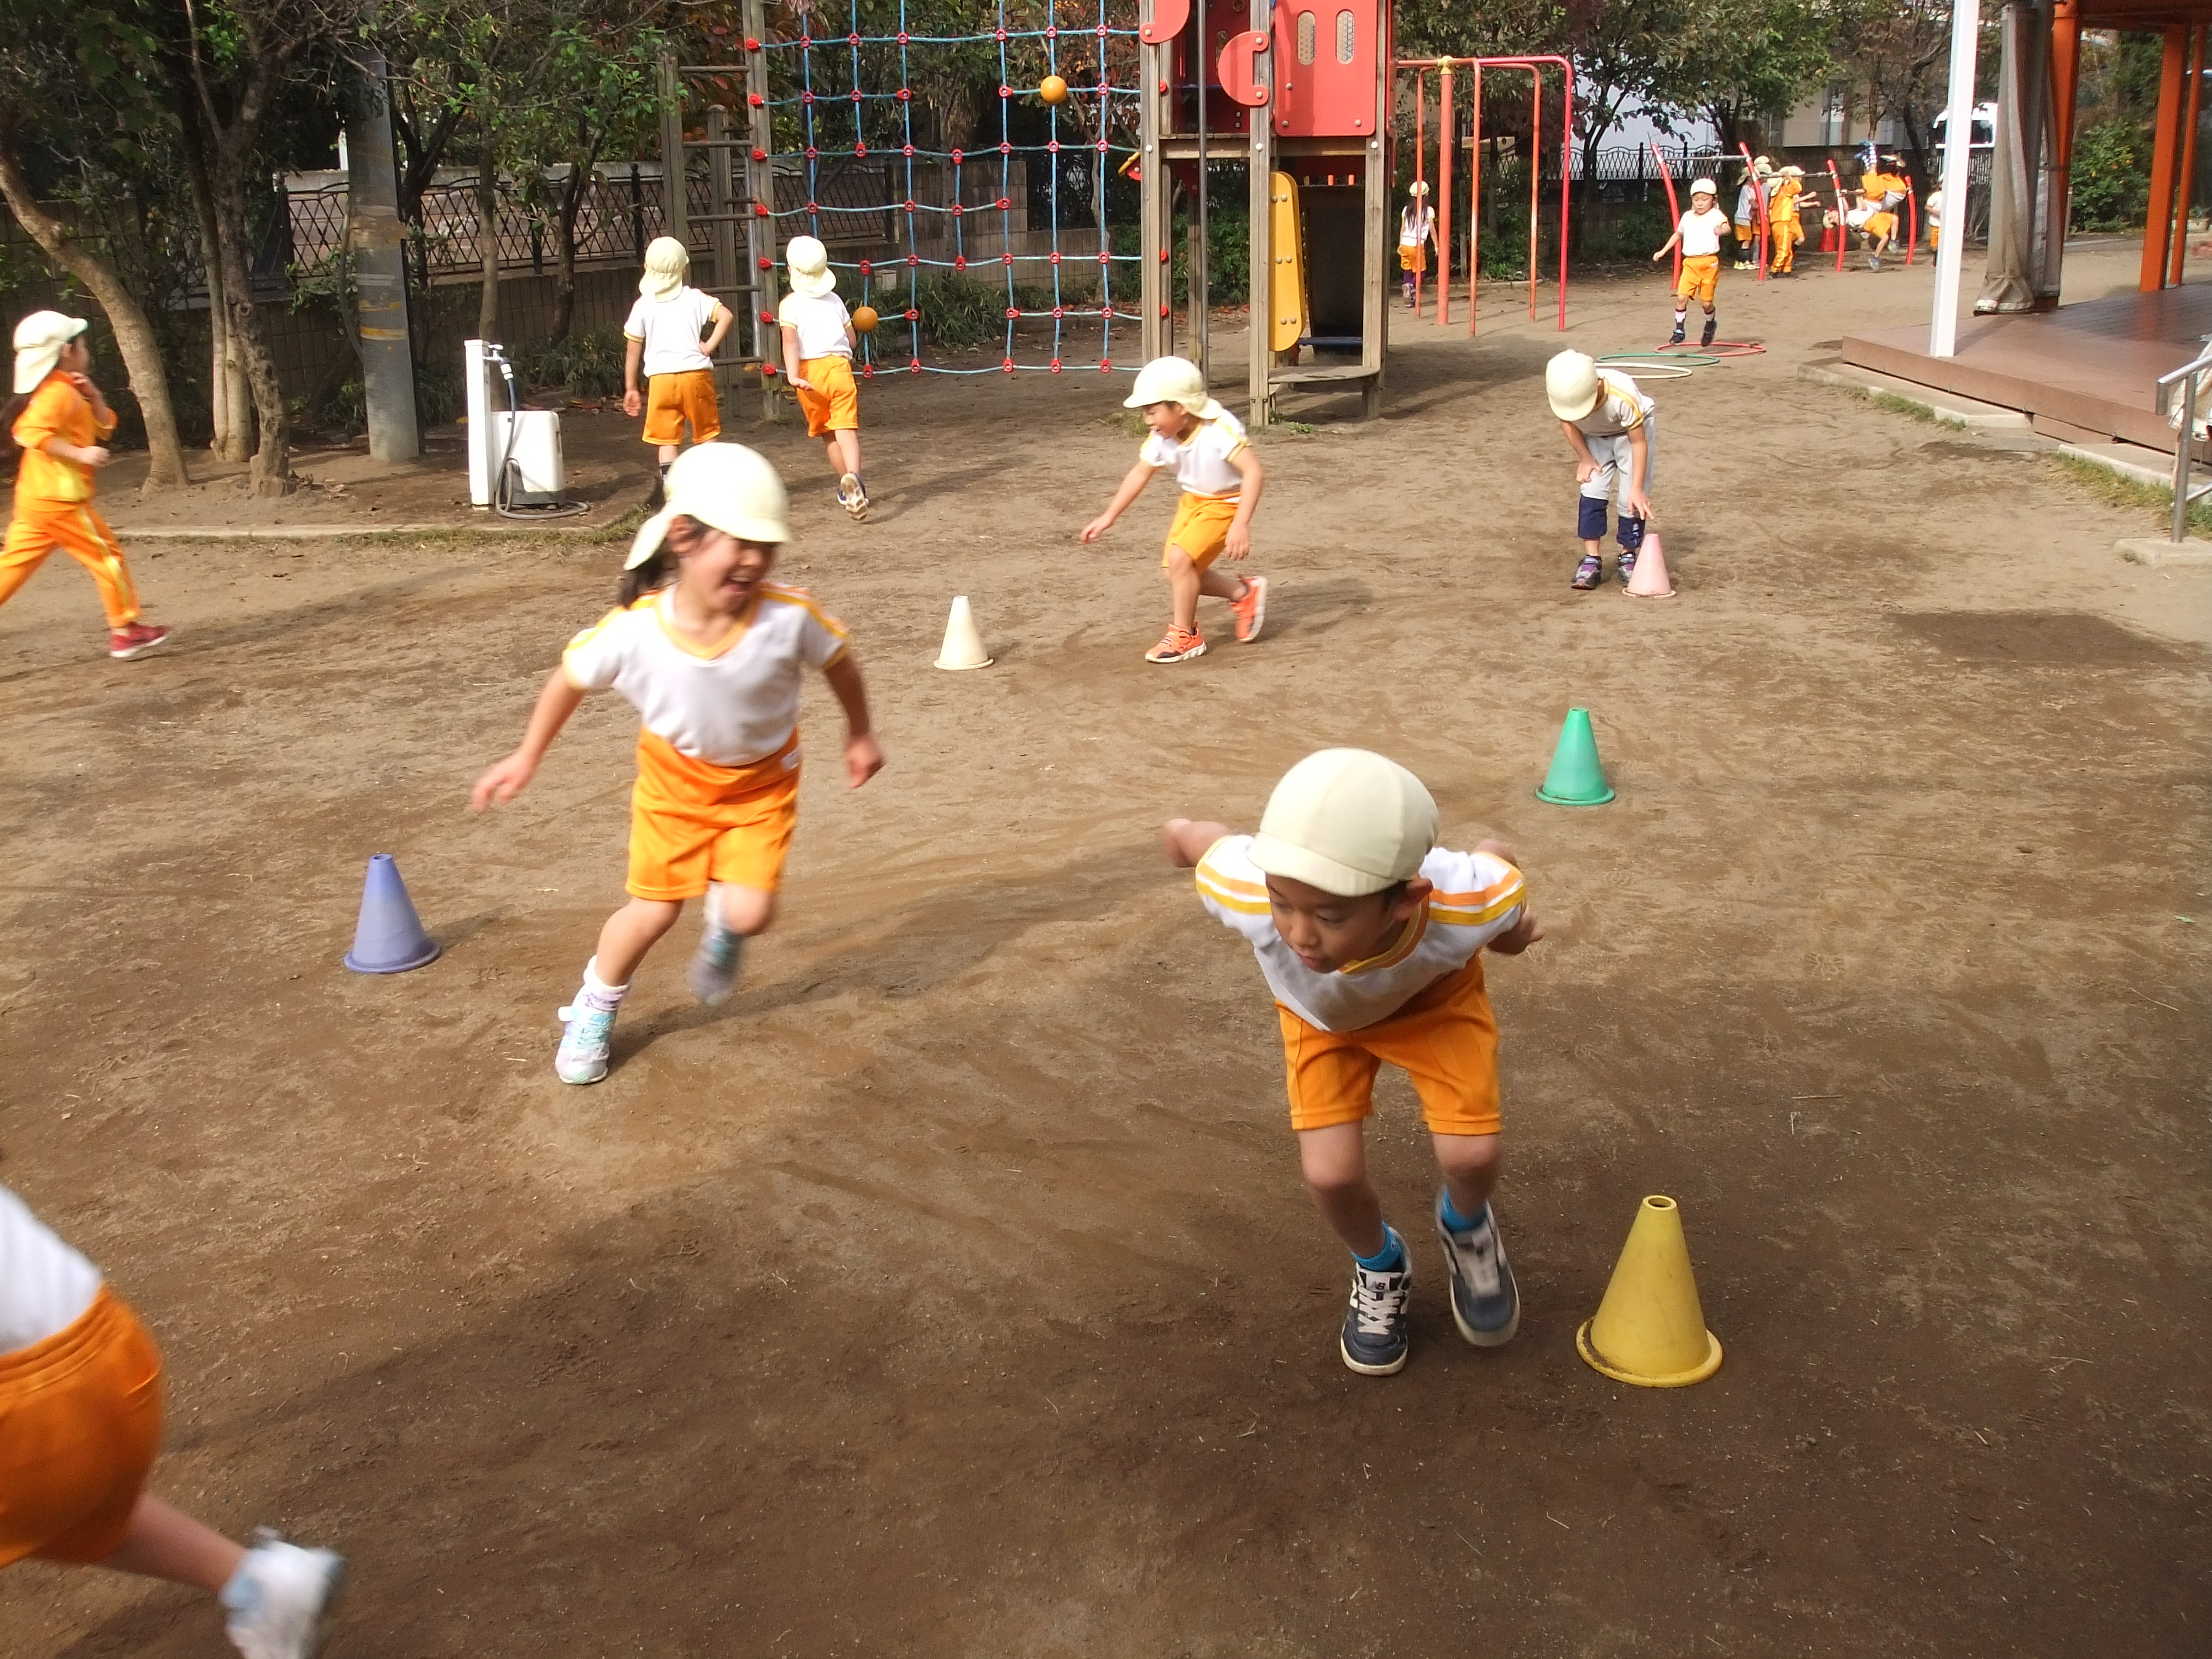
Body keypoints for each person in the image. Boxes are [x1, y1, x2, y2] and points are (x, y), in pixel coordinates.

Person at [471, 442, 883, 1084]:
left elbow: (840, 664)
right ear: (684, 538)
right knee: (654, 912)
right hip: (674, 789)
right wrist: (527, 756)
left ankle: (724, 924)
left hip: (761, 786)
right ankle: (596, 1004)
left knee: (751, 914)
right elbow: (568, 680)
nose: (755, 560)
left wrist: (860, 734)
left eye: (766, 546)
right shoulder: (633, 631)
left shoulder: (788, 617)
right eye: (739, 541)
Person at [1163, 749, 1542, 1376]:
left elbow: (1499, 901)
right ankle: (1379, 1264)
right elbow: (1207, 843)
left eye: (1330, 916)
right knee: (1330, 1176)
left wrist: (1513, 933)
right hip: (1321, 1023)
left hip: (1434, 1007)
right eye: (1283, 903)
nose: (1300, 934)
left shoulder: (1459, 899)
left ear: (1403, 900)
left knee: (1470, 1154)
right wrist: (1176, 836)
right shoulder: (1244, 888)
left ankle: (1466, 1224)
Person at [0, 1177, 343, 1658]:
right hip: (113, 1354)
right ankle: (263, 1584)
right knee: (73, 1506)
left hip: (22, 1419)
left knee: (42, 1492)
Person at [0, 312, 172, 660]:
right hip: (61, 501)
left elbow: (105, 427)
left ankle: (126, 629)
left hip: (37, 500)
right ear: (67, 351)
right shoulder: (57, 395)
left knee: (12, 566)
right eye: (83, 344)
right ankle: (125, 631)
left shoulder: (67, 388)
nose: (87, 350)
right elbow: (27, 433)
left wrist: (95, 397)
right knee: (107, 558)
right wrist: (81, 454)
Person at [1079, 354, 1267, 665]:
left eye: (1153, 412)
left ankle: (1185, 634)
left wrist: (1241, 524)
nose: (1148, 421)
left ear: (1181, 407)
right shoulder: (1161, 438)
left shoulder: (1218, 429)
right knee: (1175, 573)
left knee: (1181, 561)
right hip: (1193, 502)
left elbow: (1254, 472)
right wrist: (1108, 516)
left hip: (1226, 504)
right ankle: (1243, 593)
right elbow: (1140, 473)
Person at [622, 237, 733, 493]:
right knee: (707, 435)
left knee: (667, 440)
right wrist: (709, 345)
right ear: (683, 270)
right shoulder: (694, 297)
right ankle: (713, 489)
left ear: (646, 269)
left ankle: (673, 492)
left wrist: (631, 387)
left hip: (661, 380)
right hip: (696, 376)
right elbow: (726, 315)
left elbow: (633, 348)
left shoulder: (643, 305)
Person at [1547, 349, 1655, 592]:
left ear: (1596, 387)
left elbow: (1639, 442)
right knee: (1592, 489)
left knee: (1631, 497)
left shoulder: (1622, 397)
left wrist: (1637, 488)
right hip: (1596, 436)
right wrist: (1585, 457)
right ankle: (1591, 558)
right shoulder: (1563, 394)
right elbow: (1567, 423)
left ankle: (1628, 554)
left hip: (1632, 435)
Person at [778, 235, 868, 521]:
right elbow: (851, 340)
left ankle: (846, 481)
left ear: (791, 271)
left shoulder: (789, 305)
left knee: (828, 434)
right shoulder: (835, 300)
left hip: (809, 374)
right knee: (846, 429)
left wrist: (792, 375)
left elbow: (790, 343)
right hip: (840, 369)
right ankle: (854, 479)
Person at [1651, 176, 1730, 346]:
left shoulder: (1716, 215)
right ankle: (1679, 330)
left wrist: (1721, 230)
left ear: (1713, 200)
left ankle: (1710, 323)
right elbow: (1678, 234)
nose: (1700, 203)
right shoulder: (1687, 217)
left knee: (1706, 303)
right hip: (1690, 263)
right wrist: (1663, 251)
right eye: (1696, 200)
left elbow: (1727, 227)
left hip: (1709, 263)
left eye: (1705, 199)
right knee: (1681, 297)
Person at [1858, 156, 1908, 269]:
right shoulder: (1883, 180)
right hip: (1894, 193)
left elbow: (1872, 170)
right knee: (1894, 220)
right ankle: (1893, 242)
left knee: (1885, 235)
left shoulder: (1878, 180)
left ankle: (1892, 243)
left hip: (1889, 196)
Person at [1398, 181, 1436, 307]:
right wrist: (1437, 245)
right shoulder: (1428, 211)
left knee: (1407, 270)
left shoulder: (1406, 210)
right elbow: (1432, 230)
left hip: (1405, 243)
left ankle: (1410, 299)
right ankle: (1410, 286)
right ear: (1426, 195)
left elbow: (1403, 228)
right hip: (1417, 244)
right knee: (1421, 272)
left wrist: (1400, 244)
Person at [1767, 165, 1807, 275]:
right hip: (1782, 221)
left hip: (1784, 221)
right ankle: (1775, 270)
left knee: (1788, 248)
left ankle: (1786, 269)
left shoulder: (1781, 192)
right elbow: (1798, 188)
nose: (1800, 179)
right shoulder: (1785, 190)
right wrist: (1790, 178)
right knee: (1784, 248)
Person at [1730, 171, 1760, 270]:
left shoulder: (1751, 189)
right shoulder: (1746, 189)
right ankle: (1741, 261)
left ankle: (1744, 260)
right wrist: (1760, 207)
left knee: (1747, 239)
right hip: (1743, 217)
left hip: (1747, 217)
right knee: (1746, 240)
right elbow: (1752, 203)